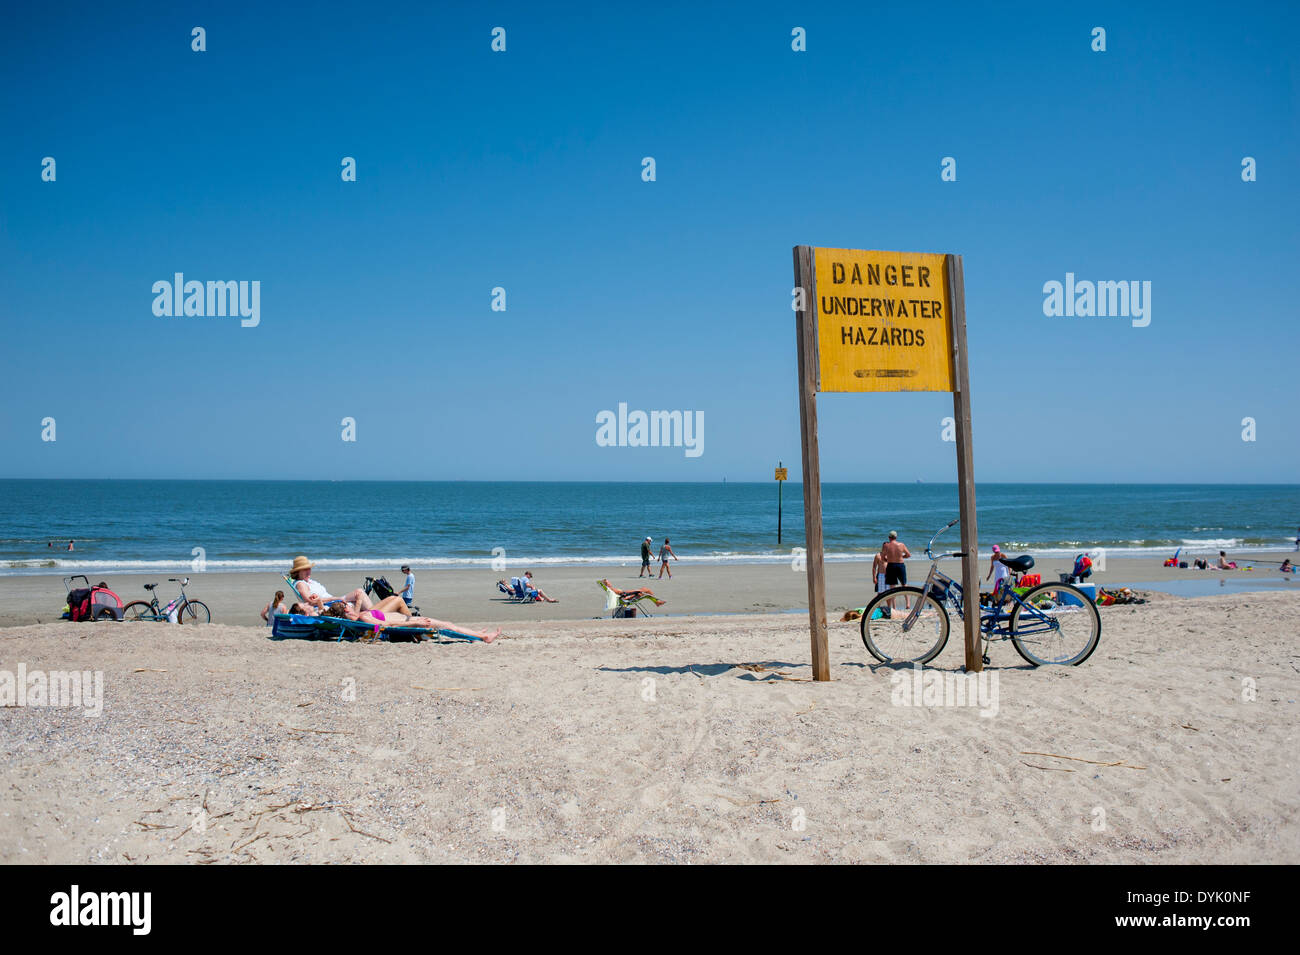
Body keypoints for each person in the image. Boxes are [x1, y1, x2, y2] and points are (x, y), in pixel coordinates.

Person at [324, 602, 499, 642]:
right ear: (346, 610)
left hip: (411, 621)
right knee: (448, 625)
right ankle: (483, 637)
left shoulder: (360, 616)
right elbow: (384, 627)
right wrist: (414, 624)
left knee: (447, 623)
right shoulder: (363, 618)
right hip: (413, 622)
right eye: (347, 605)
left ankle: (477, 633)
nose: (350, 605)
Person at [287, 555, 383, 612]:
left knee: (359, 595)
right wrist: (336, 598)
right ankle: (377, 617)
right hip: (328, 606)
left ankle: (376, 616)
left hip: (332, 603)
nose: (309, 571)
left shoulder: (309, 581)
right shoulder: (301, 584)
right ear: (298, 572)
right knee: (359, 593)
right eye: (305, 569)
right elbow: (310, 602)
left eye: (309, 568)